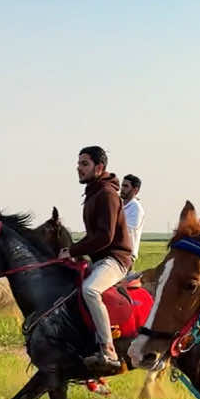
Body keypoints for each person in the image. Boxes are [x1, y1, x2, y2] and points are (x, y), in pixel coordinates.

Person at [61, 146, 133, 375]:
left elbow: (105, 236)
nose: (78, 168)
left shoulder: (107, 194)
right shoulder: (94, 192)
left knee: (90, 290)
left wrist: (73, 250)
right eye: (78, 163)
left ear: (99, 167)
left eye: (84, 164)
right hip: (101, 258)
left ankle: (109, 350)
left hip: (116, 259)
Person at [121, 174, 145, 261]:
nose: (122, 189)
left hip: (126, 255)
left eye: (126, 186)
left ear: (135, 190)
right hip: (115, 252)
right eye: (122, 185)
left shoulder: (136, 209)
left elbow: (126, 232)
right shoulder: (119, 205)